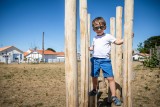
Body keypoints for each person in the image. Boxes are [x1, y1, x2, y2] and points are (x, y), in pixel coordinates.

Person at [89, 17, 123, 106]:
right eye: (97, 28)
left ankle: (114, 96)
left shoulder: (108, 36)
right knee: (94, 76)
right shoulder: (94, 38)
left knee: (110, 78)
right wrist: (88, 48)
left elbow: (117, 42)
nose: (99, 29)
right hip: (95, 59)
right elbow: (93, 47)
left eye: (101, 27)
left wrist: (126, 38)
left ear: (105, 27)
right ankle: (94, 89)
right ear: (93, 29)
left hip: (105, 61)